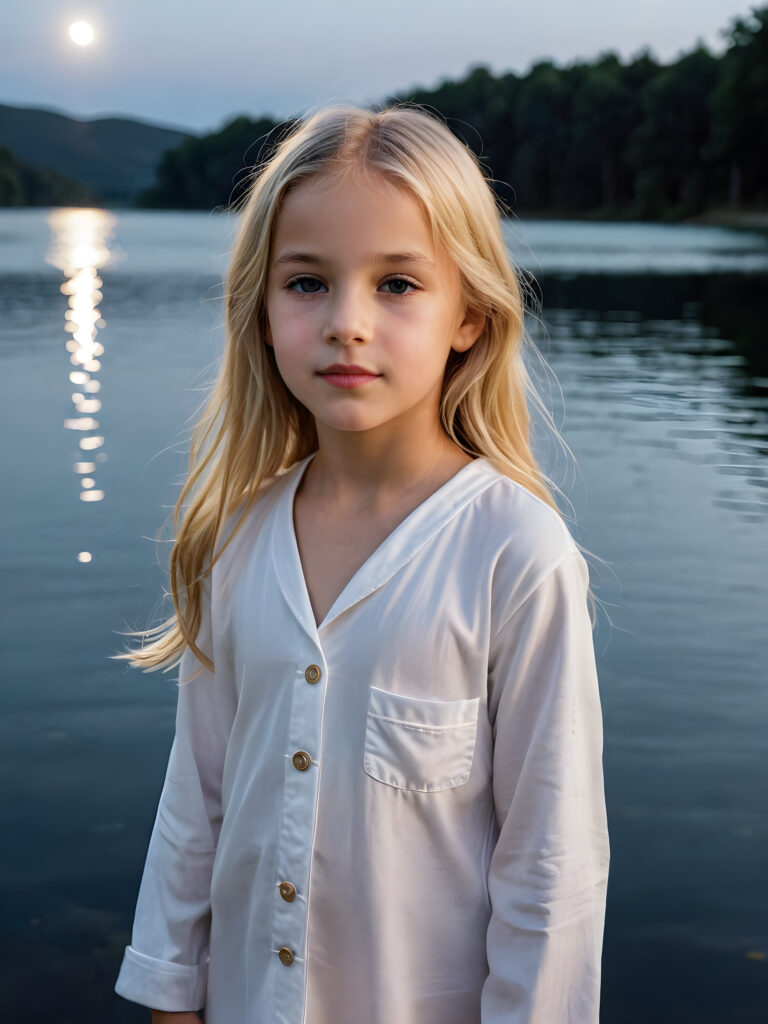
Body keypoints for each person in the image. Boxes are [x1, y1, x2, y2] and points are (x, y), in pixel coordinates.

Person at [112, 102, 610, 1024]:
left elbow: (551, 869)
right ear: (260, 313)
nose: (347, 322)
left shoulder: (515, 554)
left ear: (468, 314)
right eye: (307, 283)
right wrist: (170, 993)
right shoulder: (238, 539)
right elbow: (197, 801)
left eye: (397, 285)